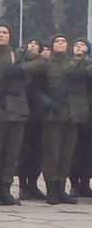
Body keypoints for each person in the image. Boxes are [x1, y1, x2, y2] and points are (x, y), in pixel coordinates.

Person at [0, 22, 45, 206]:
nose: (1, 35)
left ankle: (6, 189)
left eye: (5, 32)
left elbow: (43, 62)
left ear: (10, 36)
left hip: (17, 113)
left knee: (12, 153)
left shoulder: (19, 55)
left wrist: (22, 69)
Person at [38, 34, 92, 205]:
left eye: (63, 41)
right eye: (57, 41)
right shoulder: (45, 63)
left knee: (67, 155)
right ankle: (51, 190)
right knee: (52, 154)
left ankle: (61, 188)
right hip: (54, 116)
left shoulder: (76, 62)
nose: (60, 43)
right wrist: (48, 104)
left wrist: (82, 72)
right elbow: (36, 90)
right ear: (52, 45)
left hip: (72, 116)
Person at [17, 38, 49, 201]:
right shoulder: (19, 61)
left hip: (39, 114)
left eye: (37, 44)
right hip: (22, 112)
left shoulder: (43, 64)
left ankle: (33, 184)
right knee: (24, 151)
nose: (33, 46)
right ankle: (23, 185)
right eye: (31, 44)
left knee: (38, 152)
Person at [68, 37, 92, 198]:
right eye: (76, 44)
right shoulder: (68, 64)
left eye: (82, 44)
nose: (79, 47)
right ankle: (74, 184)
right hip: (72, 113)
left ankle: (85, 182)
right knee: (73, 151)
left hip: (89, 113)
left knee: (89, 151)